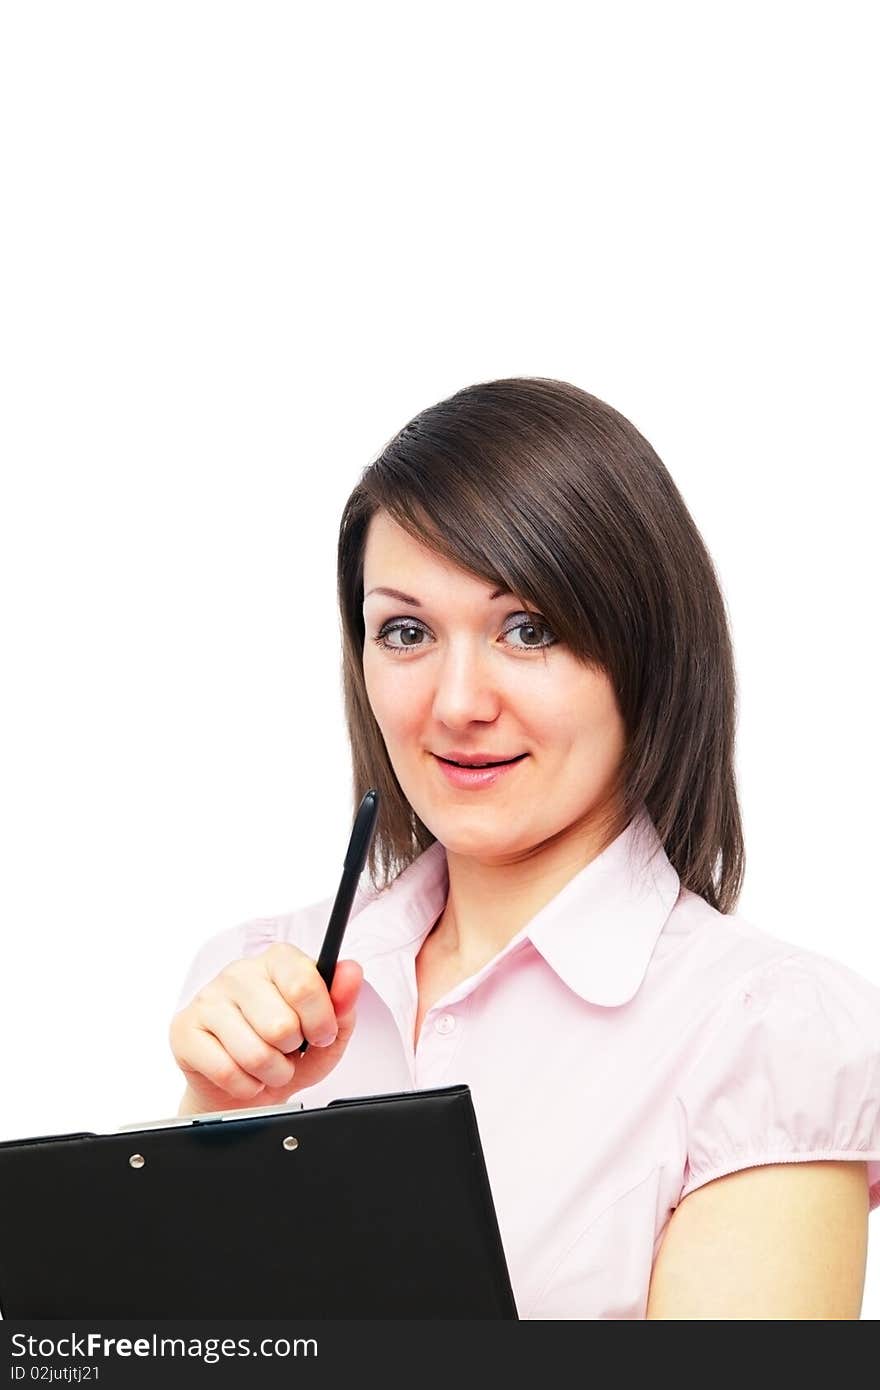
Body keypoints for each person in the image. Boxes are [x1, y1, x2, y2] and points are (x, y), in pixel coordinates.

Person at [169, 377, 880, 1319]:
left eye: (528, 628)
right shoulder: (257, 982)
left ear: (646, 649)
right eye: (407, 631)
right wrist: (207, 1135)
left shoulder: (765, 1034)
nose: (458, 702)